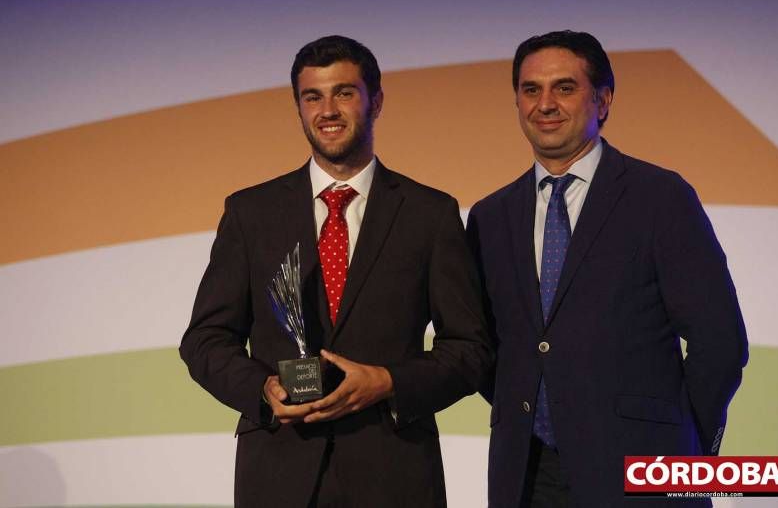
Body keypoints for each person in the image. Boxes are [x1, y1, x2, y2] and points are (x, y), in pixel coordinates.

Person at [179, 35, 492, 508]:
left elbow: (470, 348)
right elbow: (204, 341)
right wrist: (262, 390)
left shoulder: (430, 214)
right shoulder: (251, 213)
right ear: (299, 108)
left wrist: (388, 382)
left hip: (395, 475)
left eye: (344, 93)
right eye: (313, 97)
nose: (328, 110)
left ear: (377, 100)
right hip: (278, 475)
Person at [466, 30, 748, 507]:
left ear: (603, 100)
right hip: (527, 474)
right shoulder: (490, 216)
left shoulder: (660, 197)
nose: (545, 104)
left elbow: (719, 342)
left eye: (564, 87)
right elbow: (483, 345)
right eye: (530, 90)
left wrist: (682, 443)